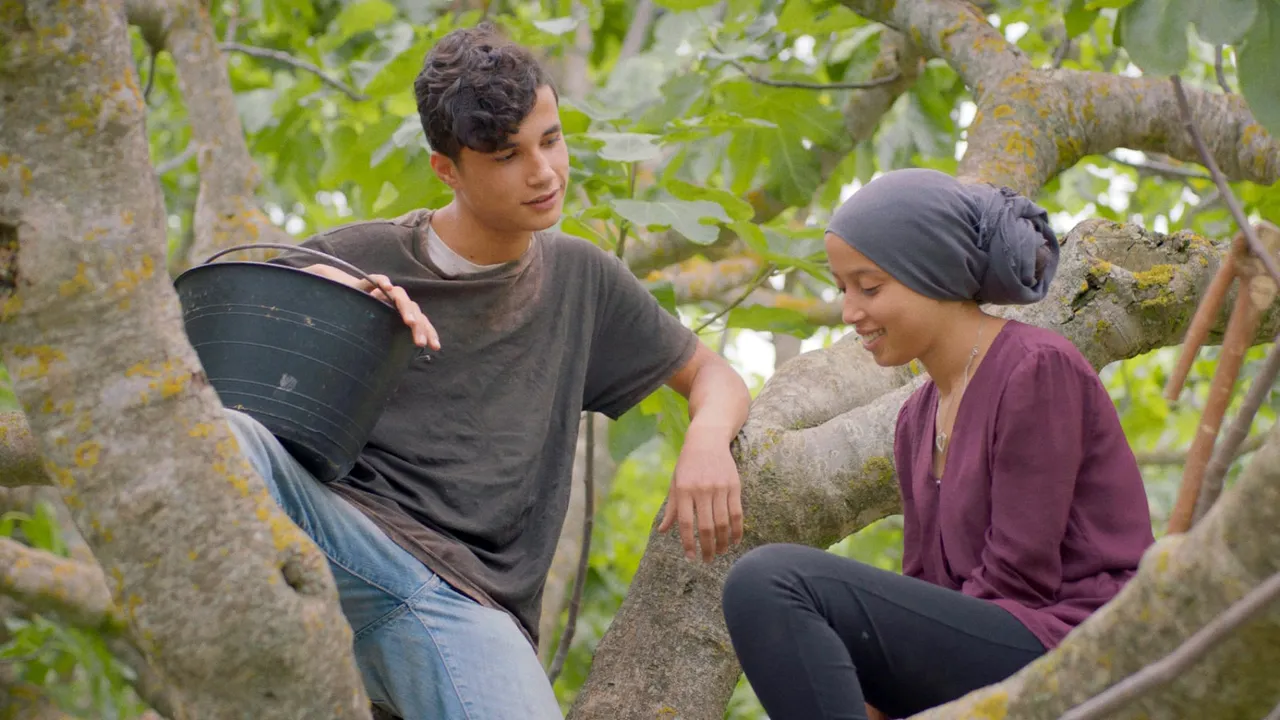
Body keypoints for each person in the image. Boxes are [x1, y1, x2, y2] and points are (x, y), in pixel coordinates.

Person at [223, 22, 752, 720]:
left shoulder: (583, 278)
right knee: (217, 438)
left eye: (550, 140)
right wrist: (327, 293)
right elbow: (217, 357)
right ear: (447, 169)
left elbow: (715, 377)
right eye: (507, 155)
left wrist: (707, 442)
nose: (543, 172)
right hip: (342, 538)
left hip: (468, 602)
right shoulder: (358, 253)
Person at [719, 168, 1156, 720]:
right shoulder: (915, 419)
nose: (850, 312)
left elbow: (1019, 579)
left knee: (769, 581)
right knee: (769, 603)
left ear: (933, 271)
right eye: (842, 290)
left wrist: (903, 680)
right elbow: (926, 590)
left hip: (1074, 644)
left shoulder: (1036, 368)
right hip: (991, 645)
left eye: (869, 287)